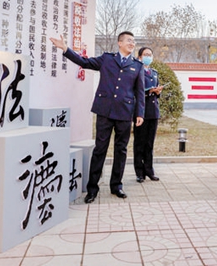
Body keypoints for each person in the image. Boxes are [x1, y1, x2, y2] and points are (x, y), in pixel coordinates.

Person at [50, 31, 145, 203]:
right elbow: (84, 62)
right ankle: (92, 189)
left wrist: (140, 113)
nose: (132, 43)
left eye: (134, 41)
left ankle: (116, 186)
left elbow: (139, 92)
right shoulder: (107, 59)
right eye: (129, 40)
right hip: (104, 111)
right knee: (100, 149)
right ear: (120, 43)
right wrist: (65, 49)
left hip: (125, 112)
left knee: (121, 150)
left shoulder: (137, 66)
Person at [133, 47, 163, 183]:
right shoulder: (136, 71)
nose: (148, 57)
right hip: (141, 111)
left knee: (149, 143)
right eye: (145, 54)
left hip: (153, 111)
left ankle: (149, 170)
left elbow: (156, 92)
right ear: (139, 57)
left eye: (150, 55)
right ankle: (139, 172)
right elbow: (134, 91)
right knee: (139, 143)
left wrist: (157, 91)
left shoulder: (154, 72)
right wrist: (148, 91)